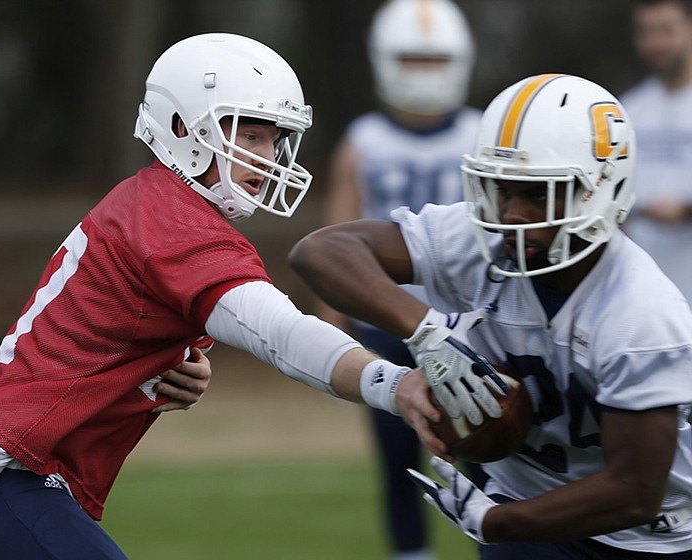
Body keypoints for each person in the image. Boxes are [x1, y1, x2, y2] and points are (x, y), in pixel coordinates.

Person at [0, 33, 457, 560]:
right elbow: (282, 334)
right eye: (250, 132)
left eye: (274, 137)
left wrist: (162, 367)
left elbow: (103, 336)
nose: (268, 156)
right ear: (185, 127)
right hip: (4, 477)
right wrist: (397, 383)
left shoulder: (153, 204)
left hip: (14, 475)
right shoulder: (172, 221)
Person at [290, 73, 692, 558]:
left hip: (643, 537)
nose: (515, 214)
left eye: (539, 193)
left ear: (598, 190)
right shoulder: (481, 240)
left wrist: (498, 521)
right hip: (522, 499)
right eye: (503, 190)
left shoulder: (641, 314)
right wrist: (426, 331)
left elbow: (634, 491)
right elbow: (321, 252)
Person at [318, 1, 479, 558]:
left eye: (435, 60)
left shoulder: (482, 131)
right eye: (413, 58)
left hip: (465, 321)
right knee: (397, 459)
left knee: (490, 449)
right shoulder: (364, 139)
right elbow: (336, 230)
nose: (425, 72)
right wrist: (329, 329)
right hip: (385, 318)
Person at [621, 0, 692, 303]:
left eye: (666, 31)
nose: (655, 43)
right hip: (648, 295)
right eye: (646, 33)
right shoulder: (628, 108)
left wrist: (686, 210)